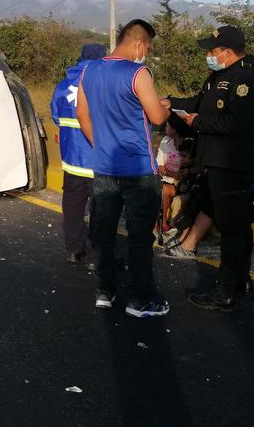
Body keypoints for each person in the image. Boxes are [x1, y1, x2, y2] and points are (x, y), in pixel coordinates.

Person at [162, 25, 254, 311]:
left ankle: (224, 292)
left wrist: (196, 122)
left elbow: (235, 122)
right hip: (217, 160)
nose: (209, 55)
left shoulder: (250, 78)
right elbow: (199, 102)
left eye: (213, 50)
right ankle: (240, 280)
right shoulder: (220, 75)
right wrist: (171, 103)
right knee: (237, 223)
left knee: (231, 227)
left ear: (229, 51)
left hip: (233, 162)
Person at [76, 19, 172, 318]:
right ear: (140, 44)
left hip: (105, 167)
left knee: (103, 232)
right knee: (140, 236)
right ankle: (140, 300)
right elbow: (156, 118)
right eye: (148, 47)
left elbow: (82, 115)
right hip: (139, 170)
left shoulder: (89, 70)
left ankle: (105, 291)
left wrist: (101, 145)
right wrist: (166, 106)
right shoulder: (138, 73)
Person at [166, 146, 254, 269]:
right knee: (205, 195)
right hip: (244, 195)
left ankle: (188, 245)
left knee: (212, 201)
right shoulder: (244, 144)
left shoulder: (244, 148)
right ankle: (184, 238)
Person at [49, 43, 106, 266]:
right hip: (98, 160)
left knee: (73, 206)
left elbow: (55, 117)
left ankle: (74, 249)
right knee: (101, 209)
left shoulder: (63, 85)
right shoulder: (102, 84)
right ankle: (97, 255)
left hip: (72, 159)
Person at [156, 121, 183, 235]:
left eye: (168, 126)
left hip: (182, 183)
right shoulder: (165, 141)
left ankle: (163, 224)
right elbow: (159, 166)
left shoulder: (189, 143)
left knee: (165, 190)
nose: (165, 128)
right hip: (168, 179)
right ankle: (159, 224)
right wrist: (173, 174)